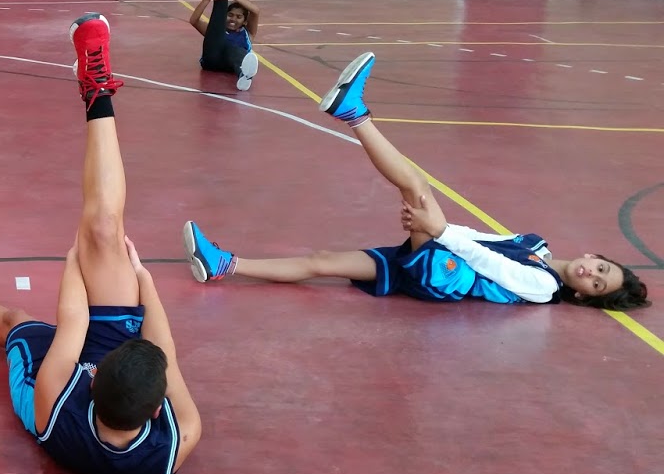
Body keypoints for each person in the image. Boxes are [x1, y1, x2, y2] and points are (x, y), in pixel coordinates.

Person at [0, 13, 201, 474]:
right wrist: (139, 278)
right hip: (118, 389)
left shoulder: (55, 404)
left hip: (49, 390)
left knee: (14, 322)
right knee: (102, 229)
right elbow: (166, 350)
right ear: (157, 407)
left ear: (93, 378)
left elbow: (75, 324)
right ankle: (96, 89)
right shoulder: (179, 440)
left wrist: (74, 261)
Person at [183, 51, 650, 310]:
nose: (591, 275)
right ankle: (224, 265)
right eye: (601, 270)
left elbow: (488, 264)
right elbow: (482, 239)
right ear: (595, 255)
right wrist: (438, 228)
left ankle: (353, 113)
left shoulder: (544, 287)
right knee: (322, 262)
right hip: (443, 255)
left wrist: (437, 228)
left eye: (595, 286)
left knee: (417, 187)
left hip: (444, 276)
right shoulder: (537, 247)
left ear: (581, 295)